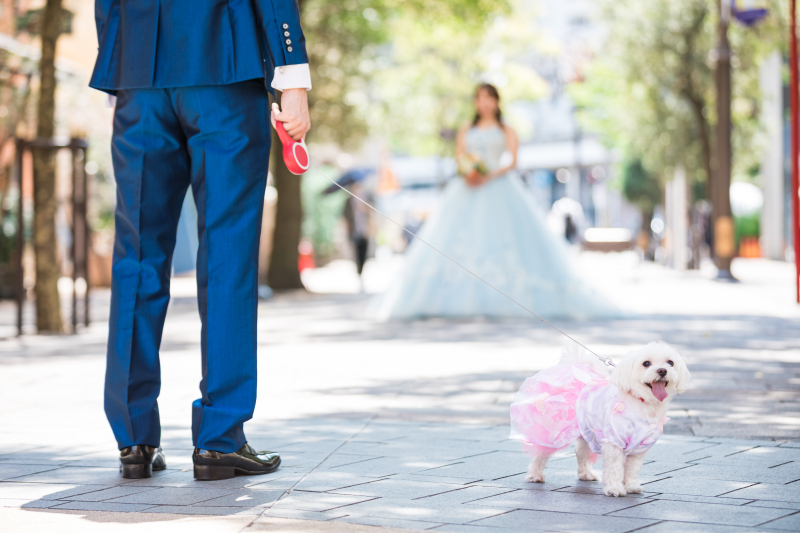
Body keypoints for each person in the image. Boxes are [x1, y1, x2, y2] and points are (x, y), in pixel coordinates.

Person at [91, 0, 311, 480]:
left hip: (138, 77)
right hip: (225, 71)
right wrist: (292, 75)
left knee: (137, 258)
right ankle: (219, 439)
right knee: (227, 256)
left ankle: (133, 437)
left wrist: (118, 64)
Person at [375, 84, 618, 320]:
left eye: (488, 97)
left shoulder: (506, 130)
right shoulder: (466, 127)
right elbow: (459, 155)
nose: (484, 102)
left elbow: (512, 161)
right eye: (479, 98)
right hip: (467, 185)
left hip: (499, 185)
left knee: (504, 237)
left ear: (496, 101)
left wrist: (489, 174)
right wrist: (468, 172)